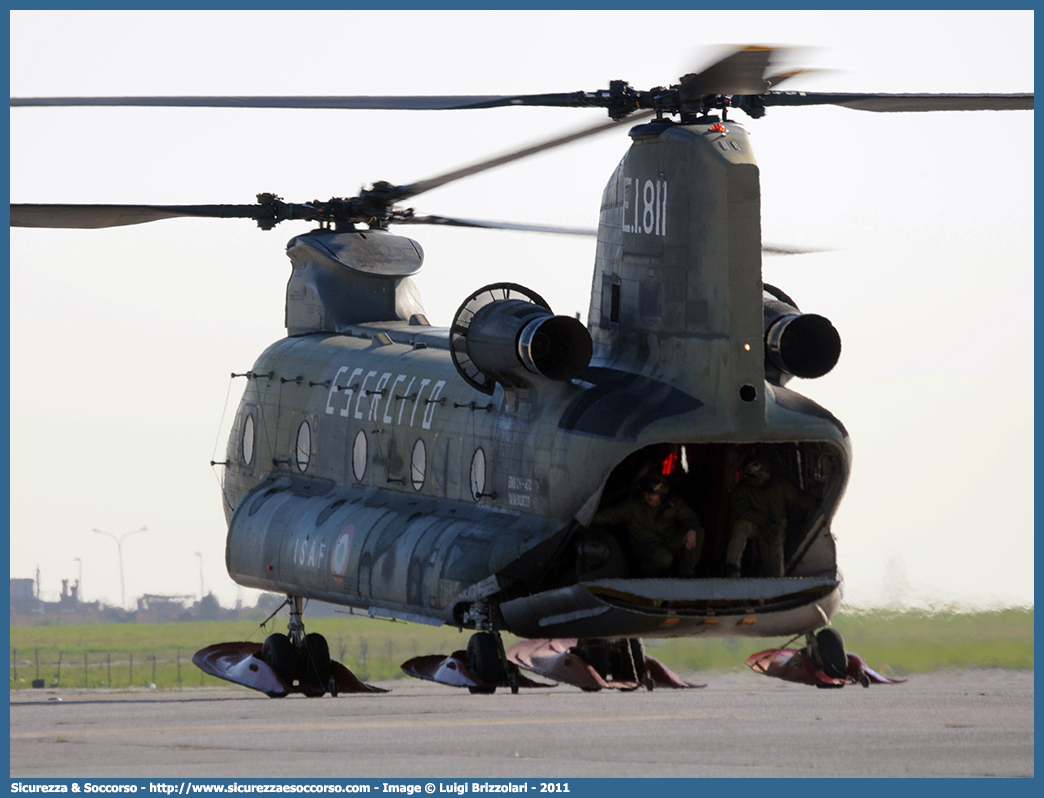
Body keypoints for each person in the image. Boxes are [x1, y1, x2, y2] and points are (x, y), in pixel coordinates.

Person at [589, 475, 704, 577]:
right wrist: (585, 520)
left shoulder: (672, 503)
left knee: (698, 533)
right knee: (665, 559)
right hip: (645, 545)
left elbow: (690, 517)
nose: (650, 496)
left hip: (669, 541)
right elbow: (610, 515)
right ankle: (645, 576)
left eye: (654, 493)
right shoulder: (633, 506)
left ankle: (685, 574)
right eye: (647, 492)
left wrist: (692, 529)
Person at [726, 459, 815, 578]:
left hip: (774, 530)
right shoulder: (744, 489)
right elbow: (740, 510)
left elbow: (798, 498)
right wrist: (763, 519)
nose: (757, 473)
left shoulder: (780, 484)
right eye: (752, 471)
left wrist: (818, 504)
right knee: (741, 526)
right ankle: (733, 568)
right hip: (756, 525)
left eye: (758, 469)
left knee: (776, 575)